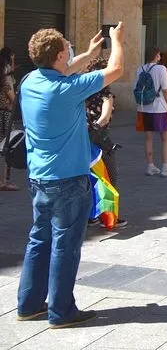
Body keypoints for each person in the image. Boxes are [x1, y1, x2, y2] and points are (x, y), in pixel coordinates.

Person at [17, 23, 124, 328]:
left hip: (39, 178)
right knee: (65, 245)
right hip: (69, 179)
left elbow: (63, 69)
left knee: (39, 240)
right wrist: (116, 40)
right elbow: (116, 69)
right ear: (61, 54)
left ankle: (29, 305)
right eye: (68, 48)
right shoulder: (67, 89)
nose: (71, 51)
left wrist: (89, 54)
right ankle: (62, 311)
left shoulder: (29, 81)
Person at [84, 57, 126, 229]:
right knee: (108, 177)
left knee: (88, 178)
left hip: (83, 140)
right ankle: (107, 217)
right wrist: (95, 127)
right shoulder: (105, 94)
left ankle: (89, 216)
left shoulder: (83, 93)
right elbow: (105, 117)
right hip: (100, 141)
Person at [136, 47, 167, 177]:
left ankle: (150, 166)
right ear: (157, 56)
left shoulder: (140, 69)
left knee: (148, 137)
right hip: (159, 107)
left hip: (143, 107)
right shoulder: (161, 69)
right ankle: (165, 166)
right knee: (165, 136)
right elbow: (165, 90)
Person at [1, 47, 18, 191]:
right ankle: (4, 181)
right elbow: (13, 99)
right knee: (7, 147)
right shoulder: (6, 81)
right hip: (5, 116)